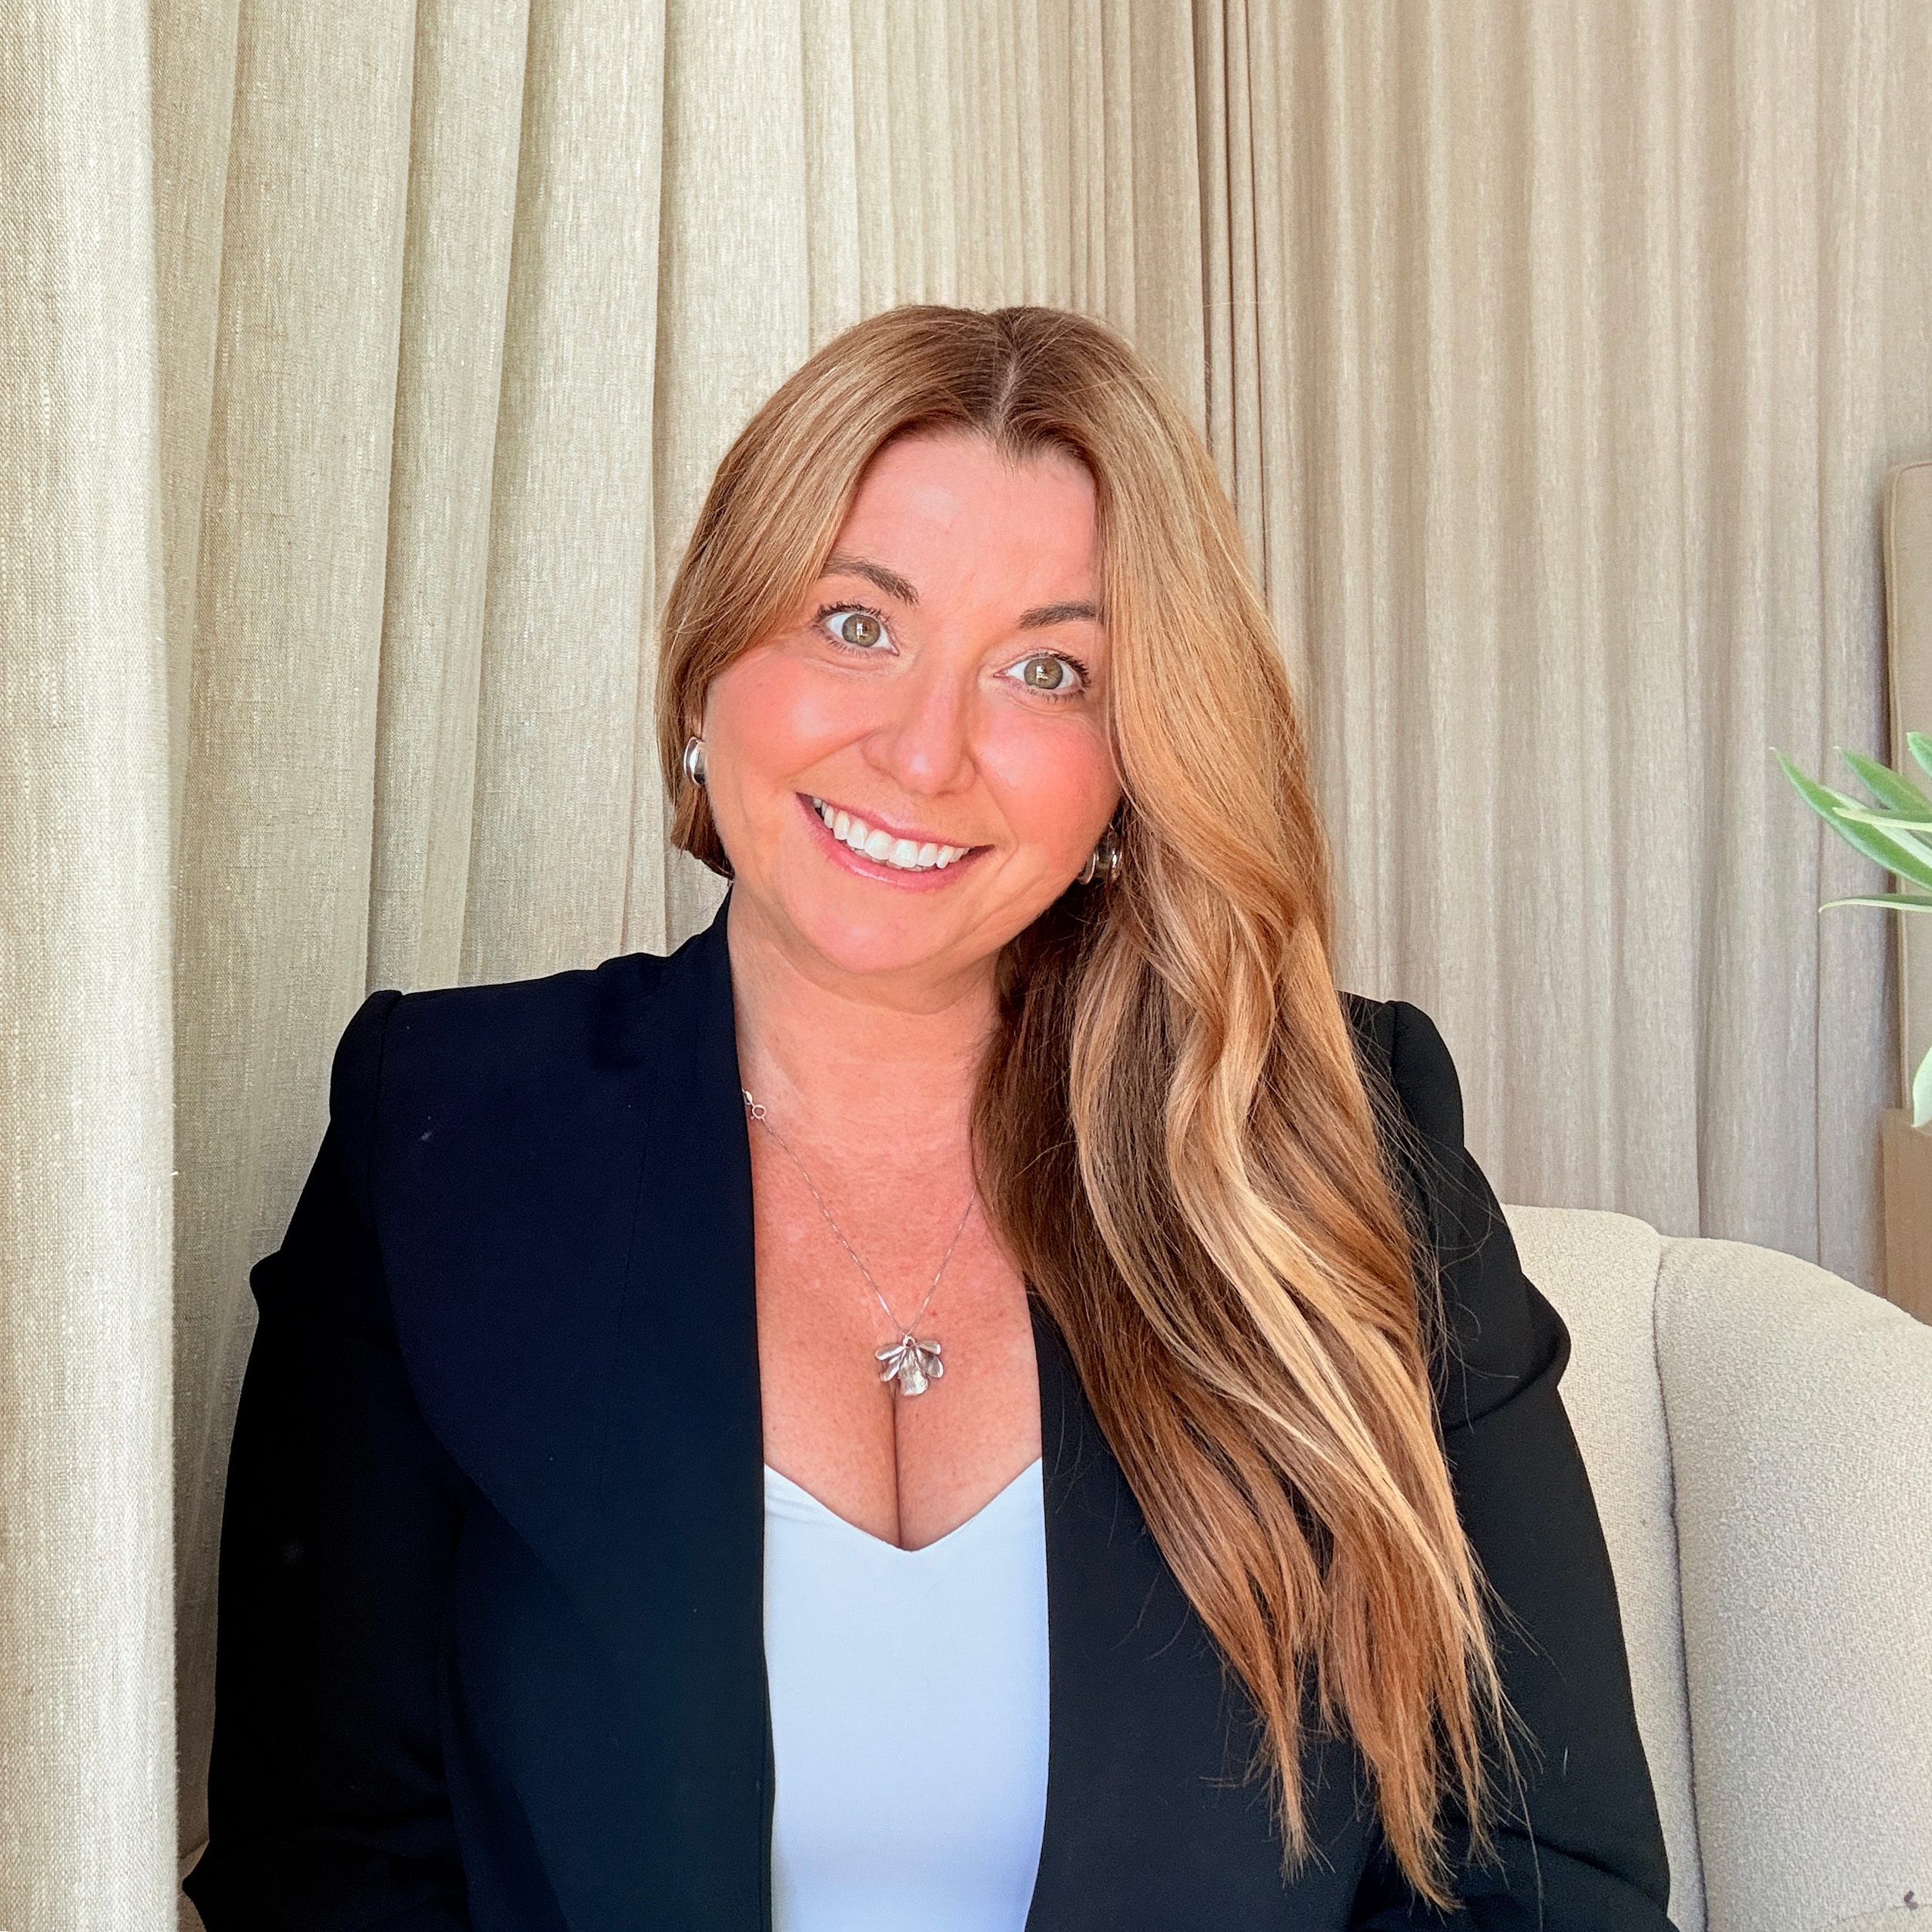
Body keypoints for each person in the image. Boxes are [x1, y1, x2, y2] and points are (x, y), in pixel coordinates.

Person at [186, 305, 1673, 1932]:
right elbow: (324, 1866)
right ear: (708, 661)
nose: (922, 748)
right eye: (851, 621)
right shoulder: (445, 1136)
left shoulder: (1332, 1137)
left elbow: (1550, 1870)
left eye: (1047, 668)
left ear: (1132, 764)